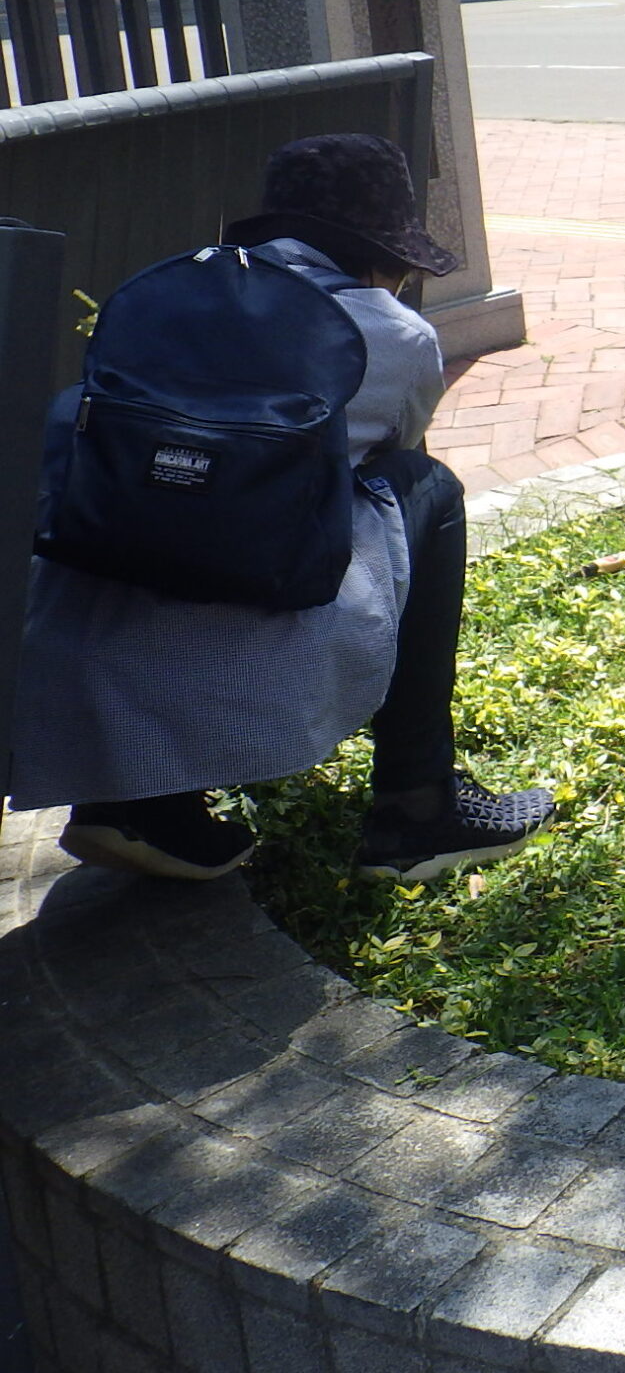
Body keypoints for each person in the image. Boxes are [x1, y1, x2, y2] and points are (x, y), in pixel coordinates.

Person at [13, 135, 556, 882]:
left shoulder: (169, 295)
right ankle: (418, 806)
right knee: (424, 487)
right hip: (262, 598)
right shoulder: (394, 334)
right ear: (381, 255)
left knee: (173, 491)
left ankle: (140, 805)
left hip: (75, 630)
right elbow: (390, 452)